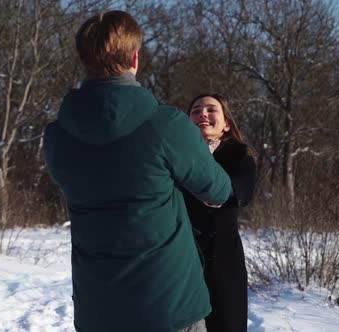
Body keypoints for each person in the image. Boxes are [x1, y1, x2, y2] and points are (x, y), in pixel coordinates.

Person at [42, 11, 232, 332]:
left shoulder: (57, 135)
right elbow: (218, 191)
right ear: (134, 57)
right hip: (169, 308)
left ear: (86, 59)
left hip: (98, 310)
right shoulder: (167, 124)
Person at [184, 94, 257, 332]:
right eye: (195, 110)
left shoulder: (239, 154)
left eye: (211, 109)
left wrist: (219, 193)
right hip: (179, 259)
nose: (202, 114)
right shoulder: (174, 156)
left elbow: (242, 191)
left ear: (226, 124)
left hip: (223, 258)